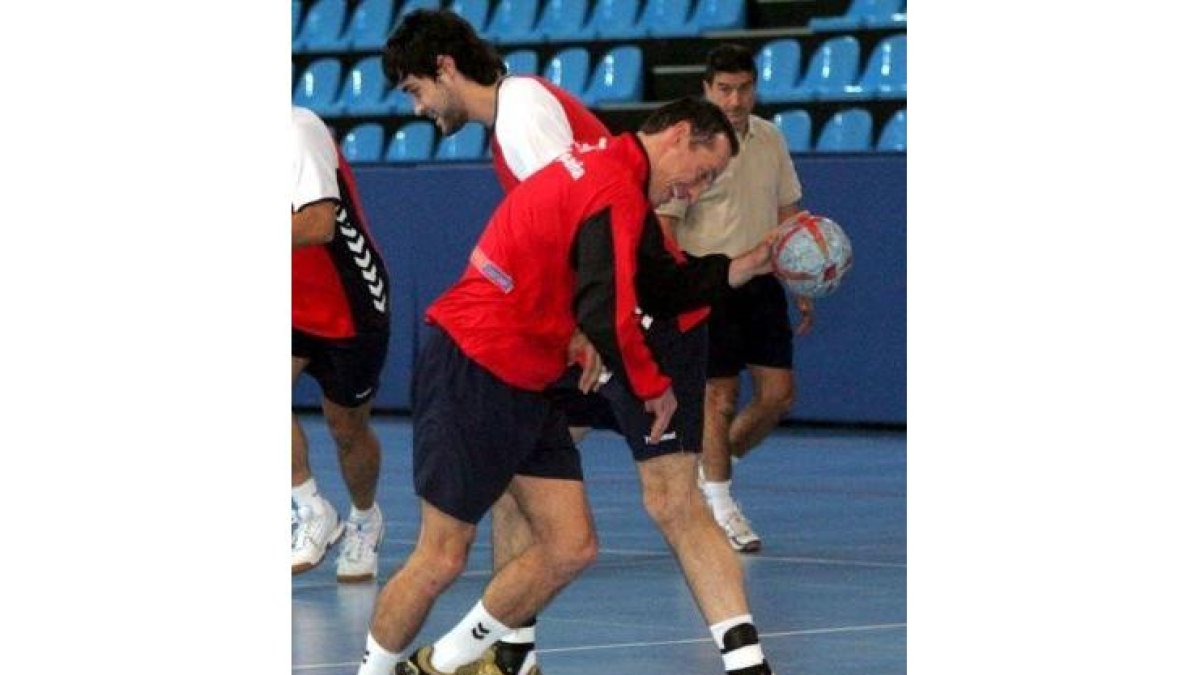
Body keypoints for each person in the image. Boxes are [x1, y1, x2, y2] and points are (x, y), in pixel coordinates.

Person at [381, 12, 779, 675]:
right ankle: (506, 654)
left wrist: (591, 331)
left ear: (446, 67)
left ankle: (745, 662)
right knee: (521, 479)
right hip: (607, 317)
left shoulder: (522, 111)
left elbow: (585, 236)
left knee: (672, 501)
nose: (418, 106)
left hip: (627, 321)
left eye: (415, 87)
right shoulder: (518, 116)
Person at [657, 44, 810, 554]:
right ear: (706, 89)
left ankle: (713, 471)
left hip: (763, 281)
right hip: (709, 283)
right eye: (724, 88)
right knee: (717, 402)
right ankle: (721, 508)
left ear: (755, 87)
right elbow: (666, 227)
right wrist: (674, 291)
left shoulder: (770, 139)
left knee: (777, 397)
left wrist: (799, 275)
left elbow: (789, 210)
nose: (735, 98)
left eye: (744, 87)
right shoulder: (693, 151)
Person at [291, 105, 389, 582]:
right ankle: (308, 506)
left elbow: (317, 225)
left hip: (349, 301)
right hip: (286, 302)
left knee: (346, 429)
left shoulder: (296, 128)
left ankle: (365, 518)